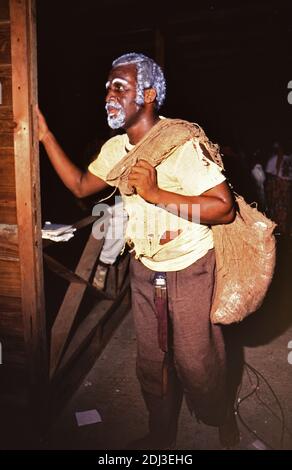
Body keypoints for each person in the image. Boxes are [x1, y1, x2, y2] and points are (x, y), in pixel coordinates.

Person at [37, 52, 237, 449]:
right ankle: (161, 435)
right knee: (151, 363)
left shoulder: (182, 142)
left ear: (146, 95)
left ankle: (219, 415)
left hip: (191, 267)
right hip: (145, 270)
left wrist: (156, 194)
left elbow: (224, 208)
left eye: (119, 87)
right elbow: (79, 185)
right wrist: (44, 135)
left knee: (197, 363)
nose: (109, 95)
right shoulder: (116, 149)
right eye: (107, 87)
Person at [265, 142, 292, 236]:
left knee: (282, 209)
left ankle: (282, 231)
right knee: (280, 209)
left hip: (284, 186)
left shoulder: (276, 159)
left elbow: (269, 175)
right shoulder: (275, 159)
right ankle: (281, 231)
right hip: (281, 186)